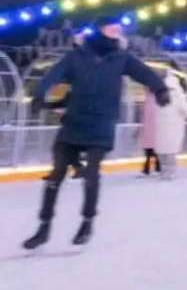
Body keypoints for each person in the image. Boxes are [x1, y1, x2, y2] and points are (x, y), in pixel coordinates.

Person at [23, 16, 170, 250]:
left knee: (92, 173)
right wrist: (40, 94)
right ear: (100, 30)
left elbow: (144, 72)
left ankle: (87, 222)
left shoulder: (121, 58)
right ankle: (44, 227)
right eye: (113, 29)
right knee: (56, 174)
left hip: (101, 122)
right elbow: (53, 74)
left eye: (119, 30)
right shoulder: (78, 56)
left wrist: (160, 89)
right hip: (74, 121)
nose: (117, 33)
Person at [154, 71, 187, 180]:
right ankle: (170, 172)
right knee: (170, 152)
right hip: (173, 129)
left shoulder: (159, 97)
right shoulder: (178, 97)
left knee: (162, 152)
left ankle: (164, 171)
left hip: (160, 130)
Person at [138, 92, 161, 178]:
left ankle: (154, 168)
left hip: (152, 129)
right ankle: (152, 168)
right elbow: (144, 116)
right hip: (150, 129)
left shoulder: (152, 99)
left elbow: (144, 116)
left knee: (151, 150)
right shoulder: (150, 99)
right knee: (151, 150)